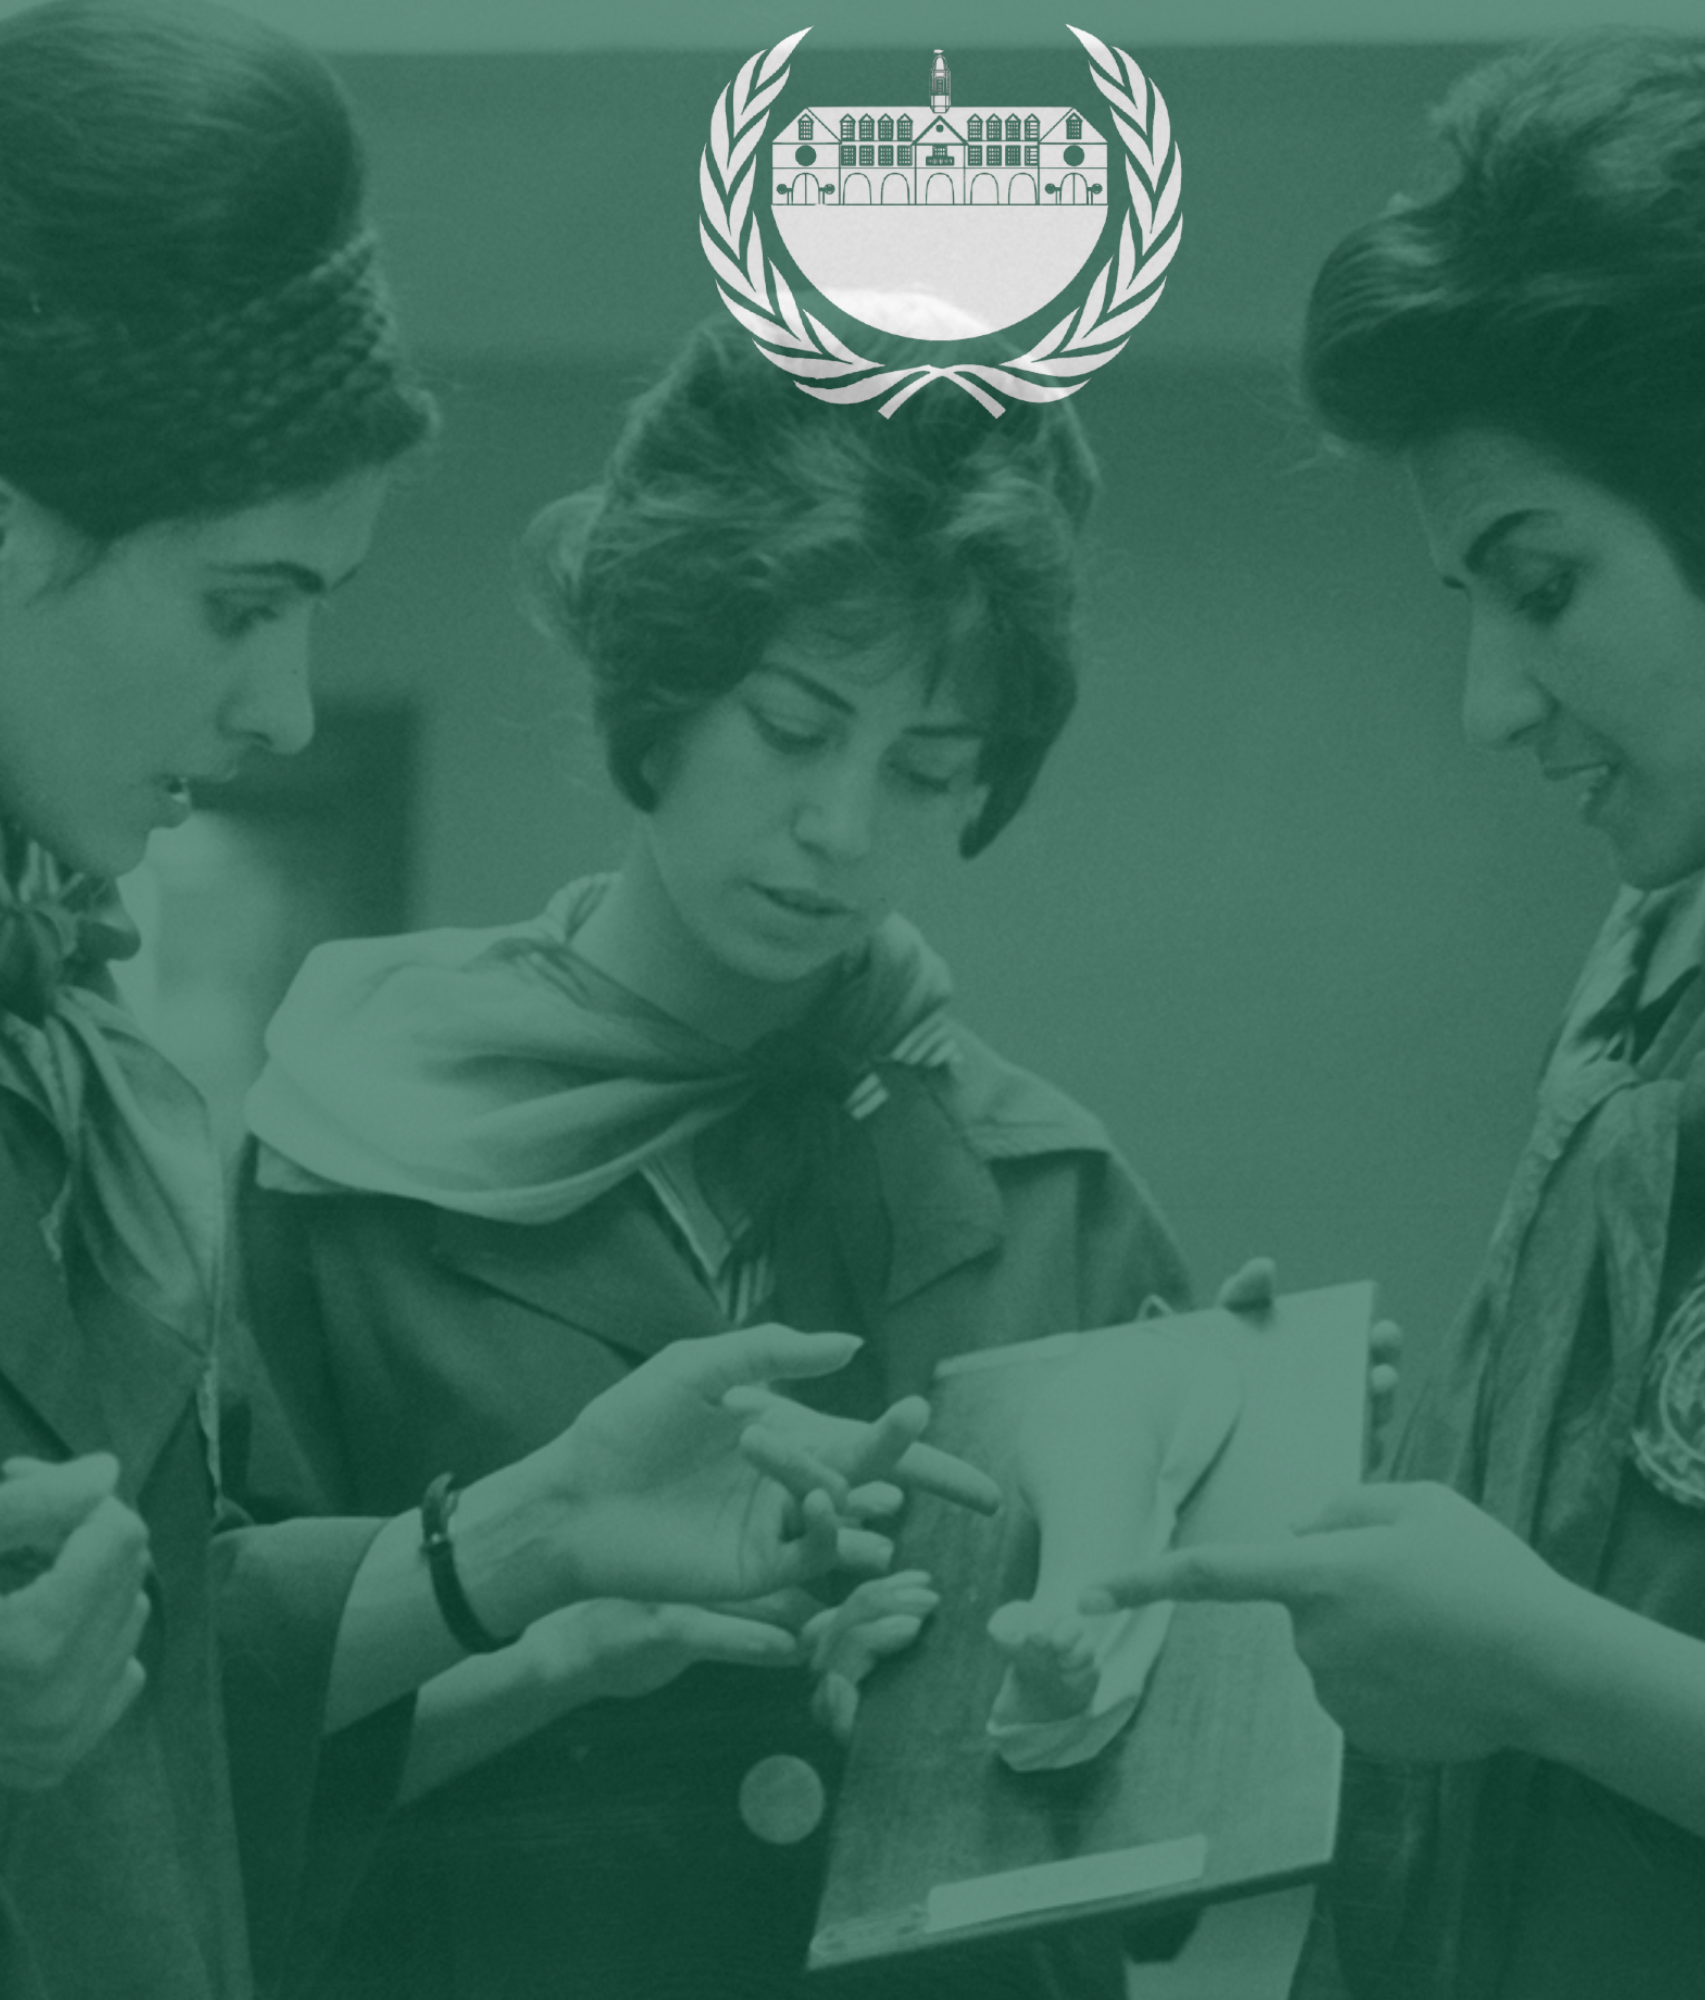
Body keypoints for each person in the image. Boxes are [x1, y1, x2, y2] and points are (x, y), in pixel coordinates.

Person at [0, 8, 986, 1997]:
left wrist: (536, 1529)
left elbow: (158, 1683)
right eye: (242, 604)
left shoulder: (49, 1037)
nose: (285, 709)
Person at [1088, 36, 1705, 2000]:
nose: (1490, 703)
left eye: (1541, 585)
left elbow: (1569, 1668)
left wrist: (1553, 1674)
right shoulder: (1665, 954)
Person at [239, 312, 1197, 2000]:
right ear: (664, 682)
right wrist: (544, 1659)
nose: (843, 828)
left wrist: (1227, 1542)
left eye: (928, 768)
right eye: (794, 726)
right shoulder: (352, 1155)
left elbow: (1162, 1862)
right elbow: (189, 1768)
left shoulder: (1058, 1195)